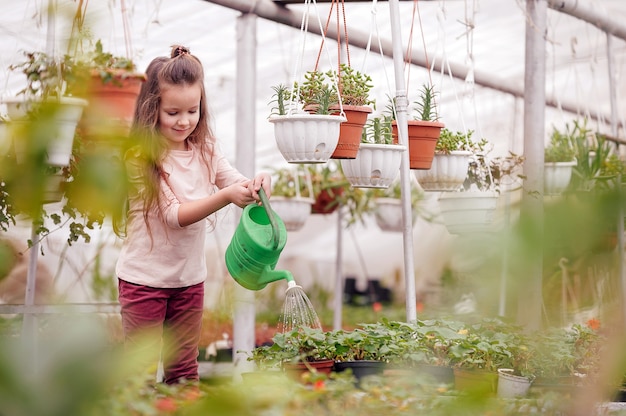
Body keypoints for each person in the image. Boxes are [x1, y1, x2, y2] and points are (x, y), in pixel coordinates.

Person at [114, 45, 271, 385]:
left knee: (184, 373)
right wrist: (227, 197)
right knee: (138, 378)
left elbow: (235, 181)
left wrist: (256, 185)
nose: (184, 120)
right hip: (143, 283)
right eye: (173, 112)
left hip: (188, 281)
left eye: (192, 110)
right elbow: (174, 215)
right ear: (151, 110)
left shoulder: (206, 149)